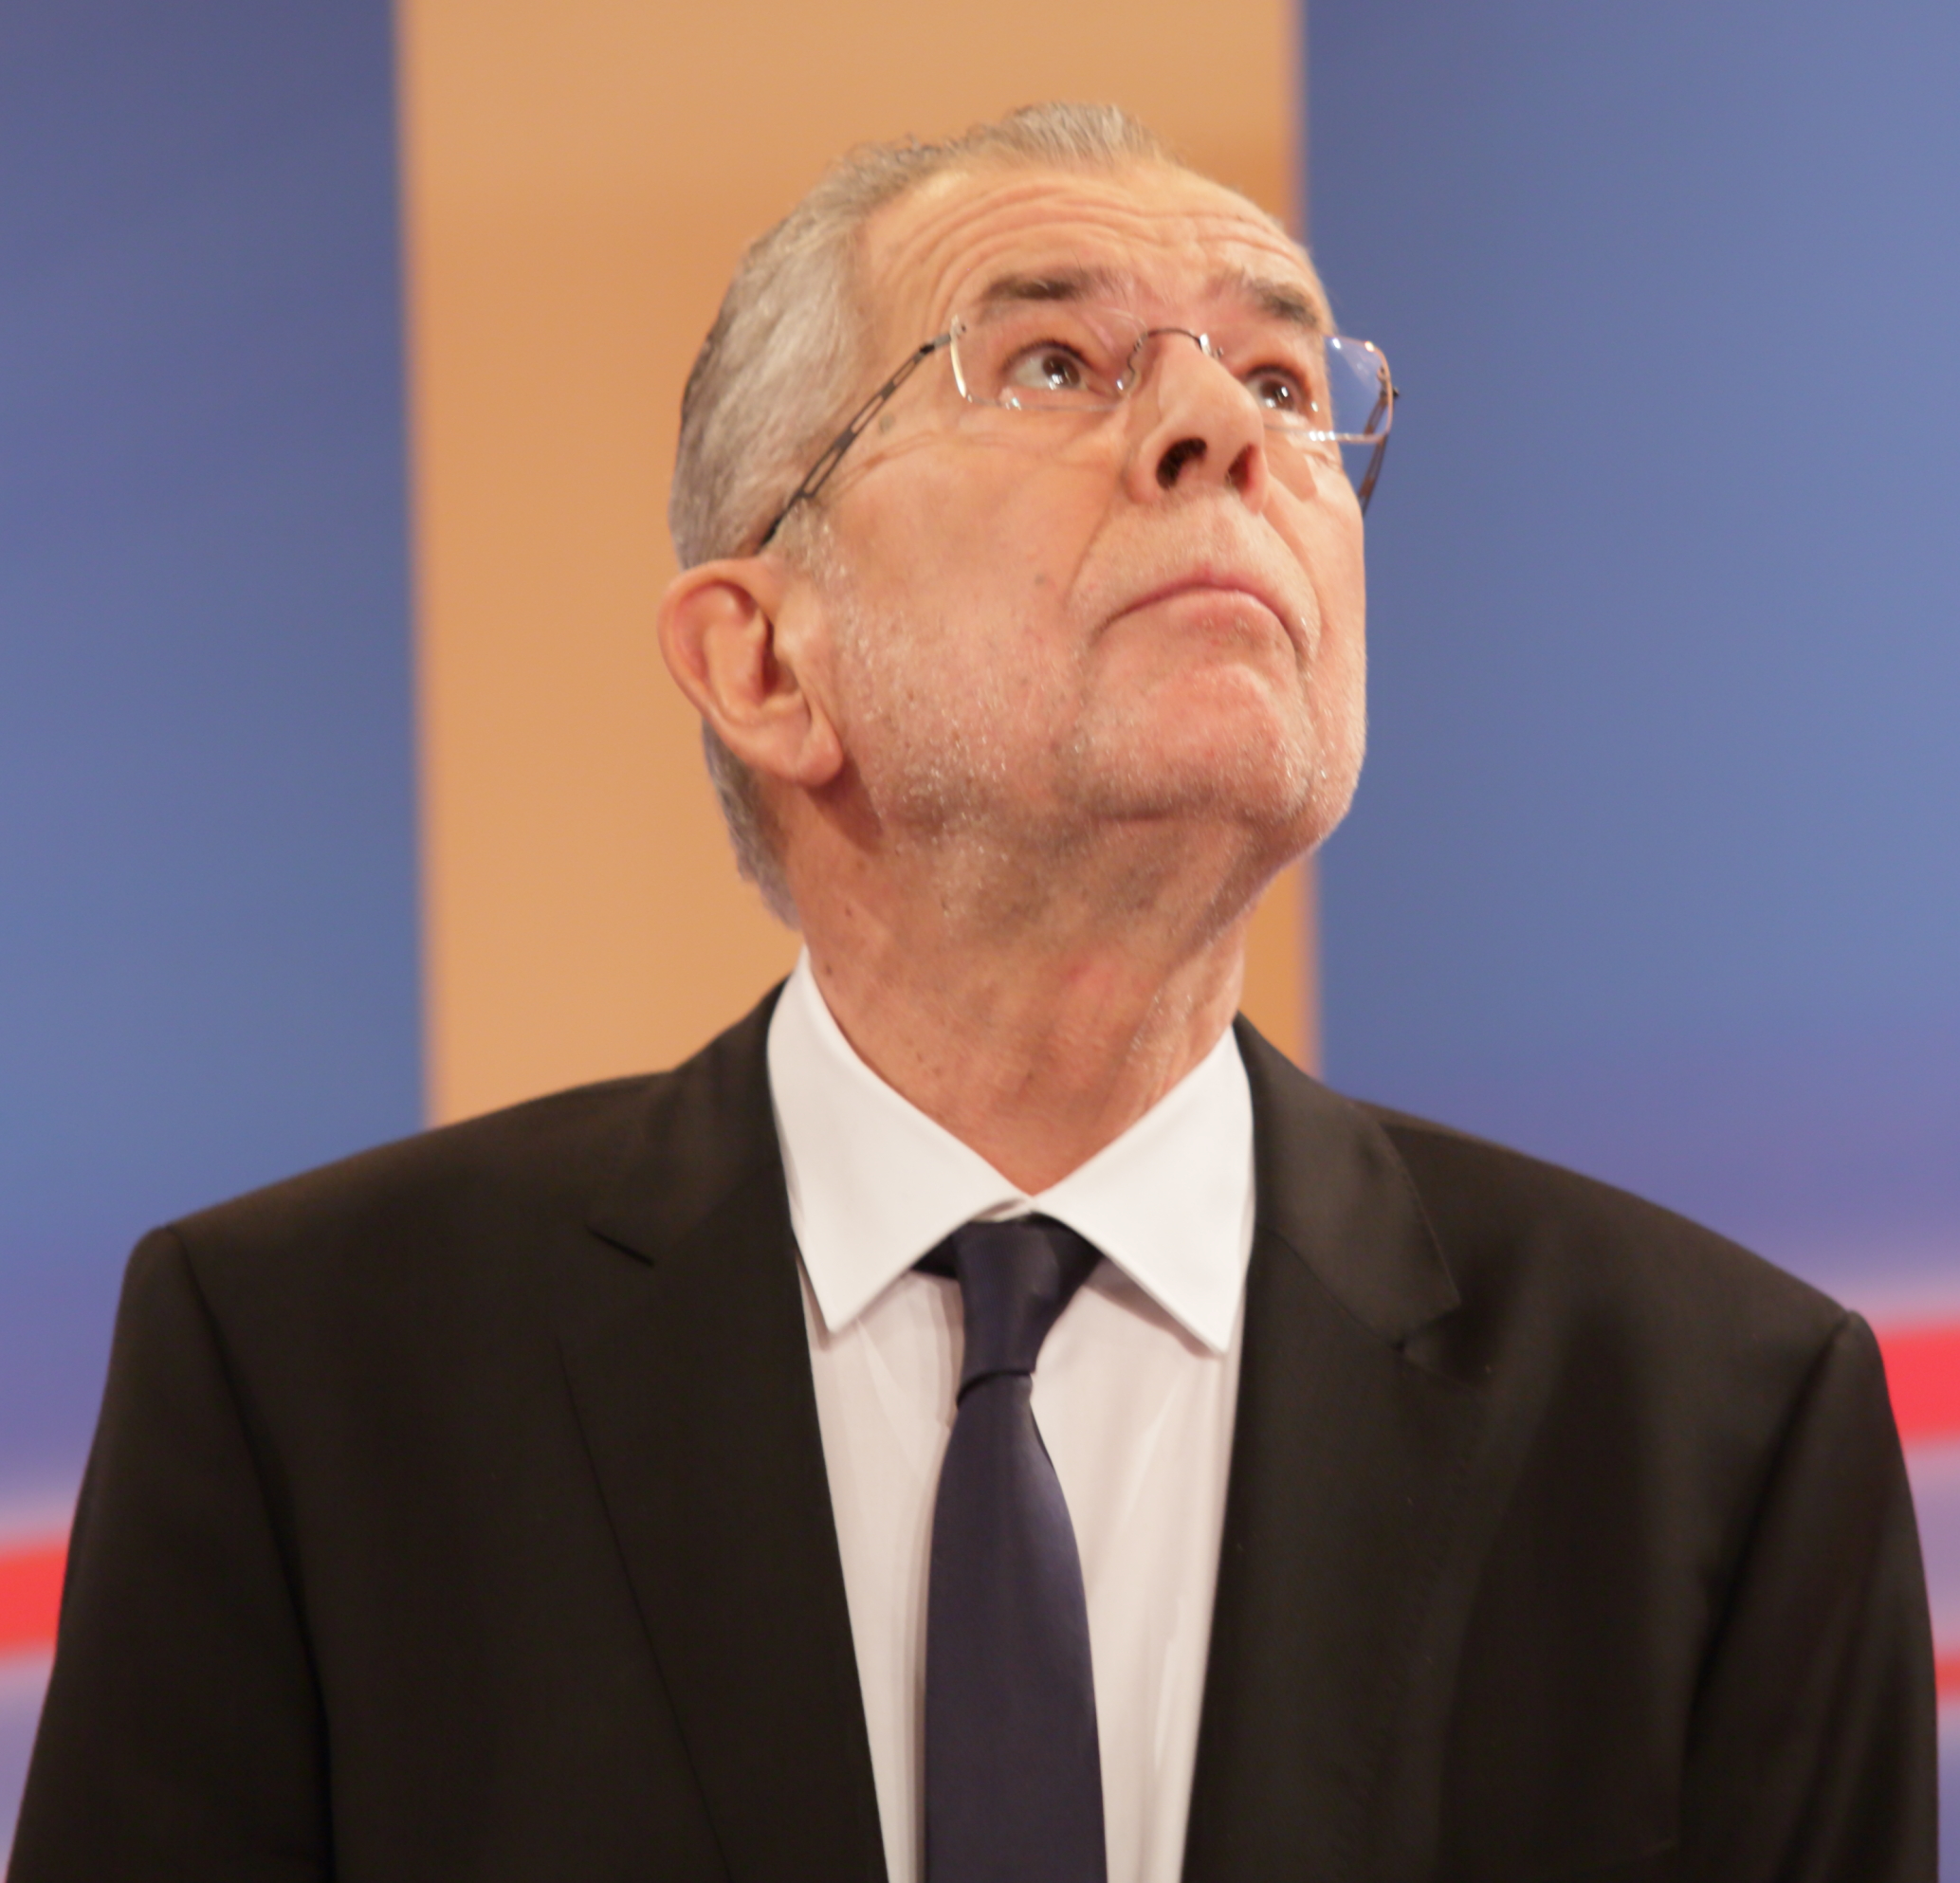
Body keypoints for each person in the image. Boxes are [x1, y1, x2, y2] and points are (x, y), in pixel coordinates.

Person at [12, 103, 1934, 1883]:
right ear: (764, 664)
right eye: (1052, 362)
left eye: (1283, 381)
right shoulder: (310, 1384)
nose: (1221, 431)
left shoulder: (1711, 1431)